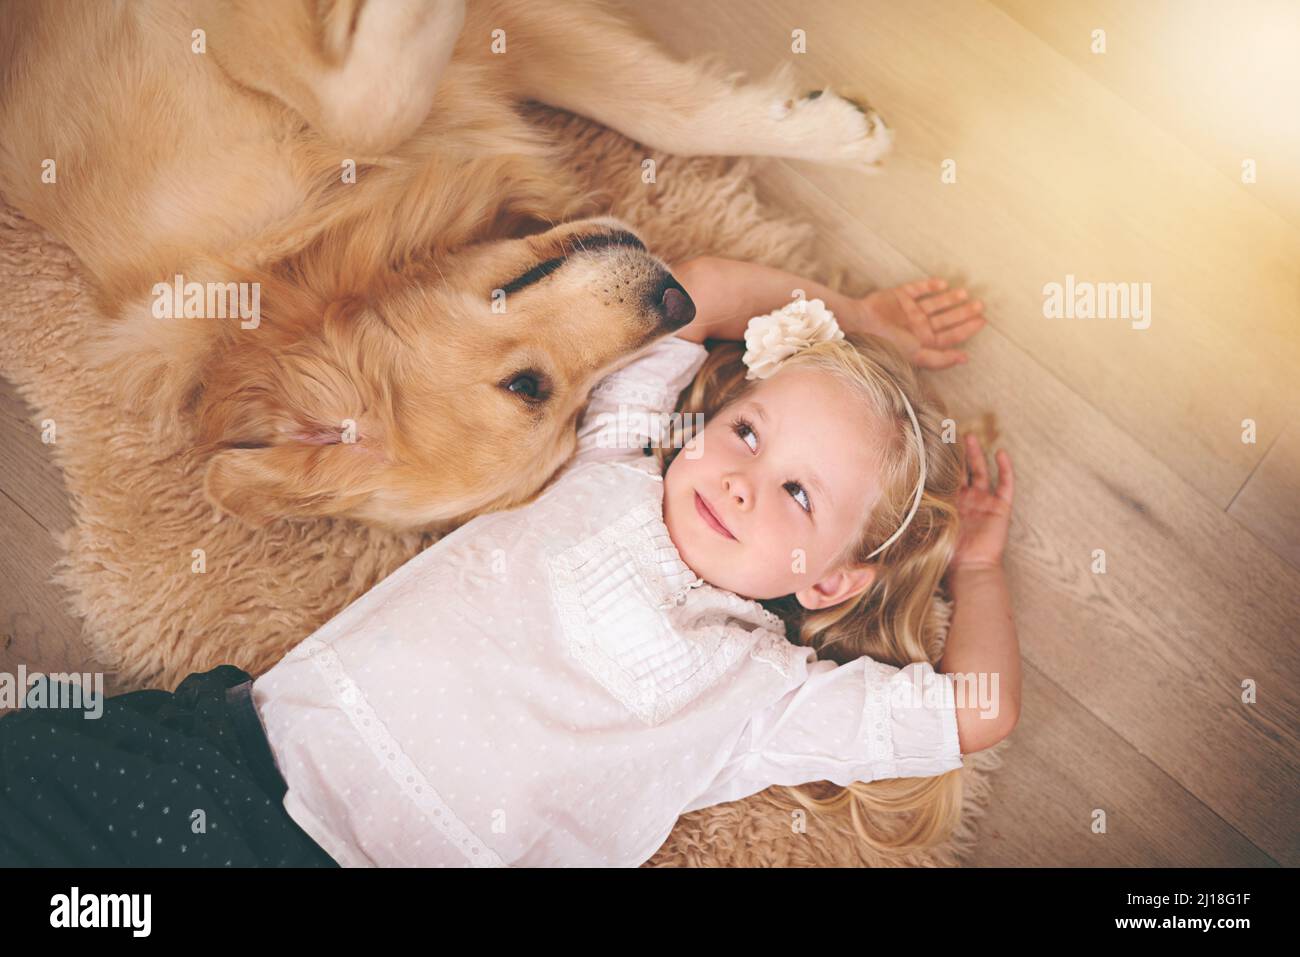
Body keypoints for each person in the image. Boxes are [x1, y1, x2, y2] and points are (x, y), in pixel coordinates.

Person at [0, 260, 1018, 867]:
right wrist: (854, 314)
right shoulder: (619, 458)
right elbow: (685, 293)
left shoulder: (761, 695)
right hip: (234, 760)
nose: (746, 480)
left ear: (828, 582)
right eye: (747, 432)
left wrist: (975, 570)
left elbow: (976, 712)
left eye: (799, 494)